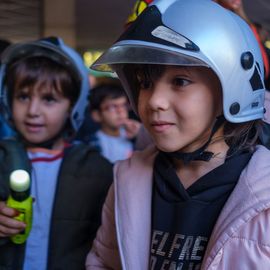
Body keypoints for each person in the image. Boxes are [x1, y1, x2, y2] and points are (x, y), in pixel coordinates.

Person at [85, 0, 270, 269]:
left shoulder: (263, 196)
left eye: (180, 81)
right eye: (145, 83)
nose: (153, 101)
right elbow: (103, 261)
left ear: (231, 87)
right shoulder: (127, 180)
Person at [0, 37, 113, 270]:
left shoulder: (97, 169)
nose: (33, 111)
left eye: (49, 99)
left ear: (73, 106)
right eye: (23, 97)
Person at [88, 81, 141, 163]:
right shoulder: (92, 144)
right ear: (97, 115)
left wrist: (141, 135)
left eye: (124, 105)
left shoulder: (134, 135)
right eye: (112, 107)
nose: (120, 111)